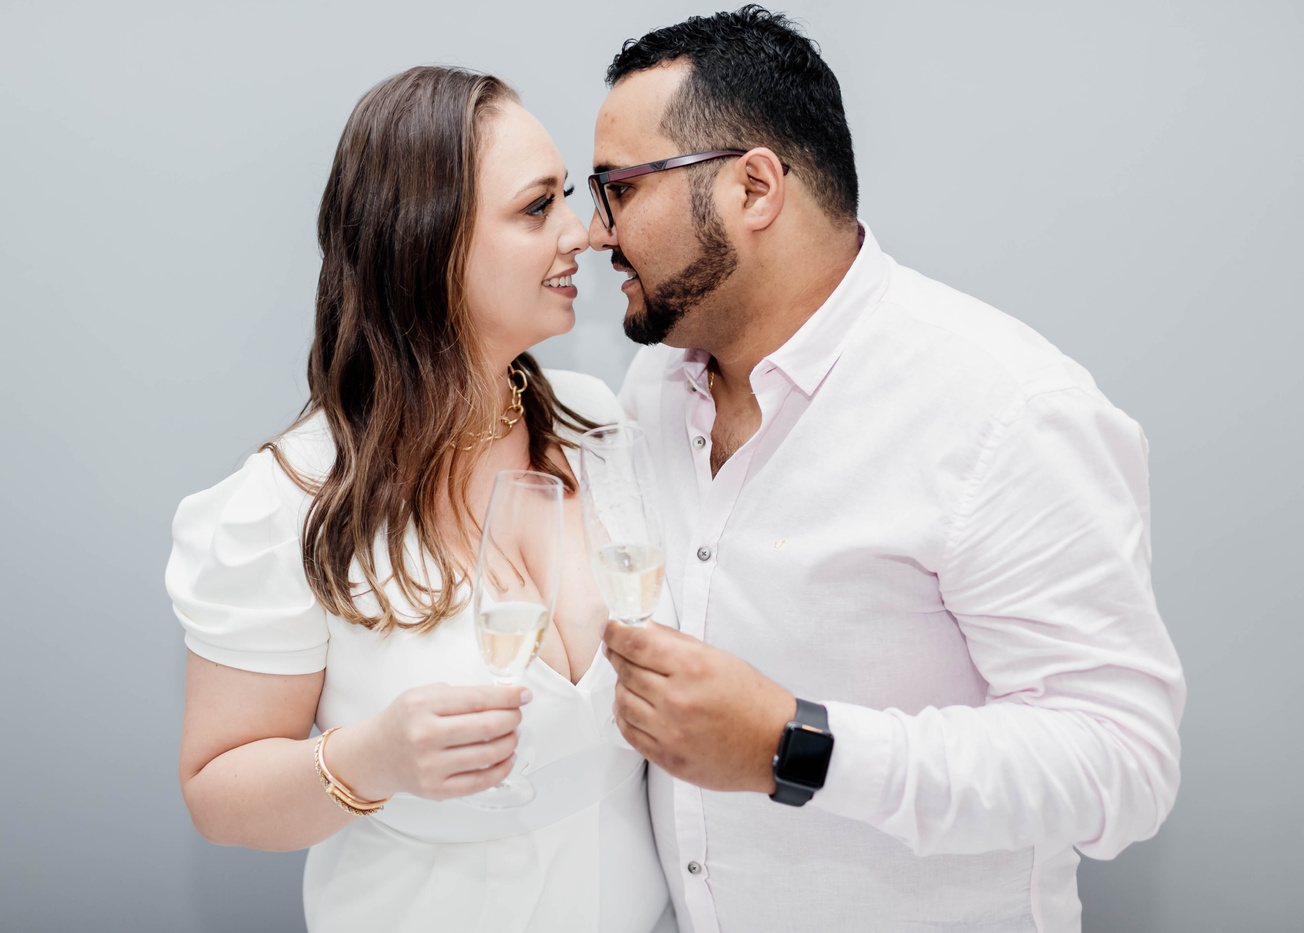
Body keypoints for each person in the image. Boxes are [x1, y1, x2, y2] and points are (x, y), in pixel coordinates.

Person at [587, 7, 1186, 933]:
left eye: (620, 189)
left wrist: (795, 744)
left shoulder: (1007, 410)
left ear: (754, 188)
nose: (595, 232)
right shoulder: (653, 389)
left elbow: (1124, 762)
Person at [166, 66, 673, 933]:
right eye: (537, 208)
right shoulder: (290, 500)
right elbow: (217, 792)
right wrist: (373, 759)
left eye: (566, 199)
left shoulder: (599, 425)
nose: (586, 234)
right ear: (428, 243)